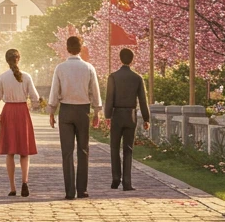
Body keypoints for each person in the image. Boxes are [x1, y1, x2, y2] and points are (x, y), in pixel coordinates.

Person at [48, 36, 102, 199]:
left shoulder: (60, 68)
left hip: (66, 110)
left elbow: (55, 91)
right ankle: (82, 189)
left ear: (67, 48)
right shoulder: (88, 68)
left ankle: (69, 191)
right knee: (83, 150)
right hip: (83, 110)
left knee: (67, 152)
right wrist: (97, 111)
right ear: (81, 48)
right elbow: (95, 91)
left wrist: (51, 111)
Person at [0, 48, 41, 197]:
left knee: (10, 151)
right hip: (22, 111)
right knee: (24, 151)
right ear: (18, 59)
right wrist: (36, 105)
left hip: (8, 111)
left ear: (6, 61)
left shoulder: (2, 77)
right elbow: (35, 97)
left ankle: (12, 187)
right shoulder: (26, 76)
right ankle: (24, 182)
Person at [104, 47, 151, 191]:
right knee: (128, 149)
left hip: (117, 114)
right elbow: (143, 100)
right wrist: (146, 118)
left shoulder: (113, 77)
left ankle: (115, 178)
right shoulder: (137, 78)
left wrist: (107, 116)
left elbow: (109, 98)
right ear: (132, 60)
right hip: (131, 115)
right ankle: (127, 182)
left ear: (120, 58)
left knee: (114, 147)